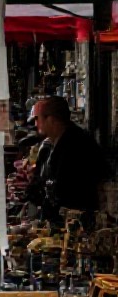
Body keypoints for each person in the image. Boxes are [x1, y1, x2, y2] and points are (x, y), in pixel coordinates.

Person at [28, 96, 106, 229]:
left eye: (37, 118)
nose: (36, 124)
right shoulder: (54, 142)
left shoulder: (76, 143)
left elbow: (63, 190)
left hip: (75, 225)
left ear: (51, 119)